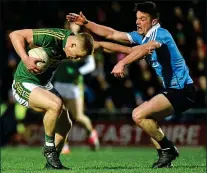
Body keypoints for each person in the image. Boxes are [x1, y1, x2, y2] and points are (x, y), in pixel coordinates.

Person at [66, 1, 196, 168]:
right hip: (174, 90)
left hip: (182, 90)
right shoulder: (142, 36)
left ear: (154, 21)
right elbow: (112, 34)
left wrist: (122, 64)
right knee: (147, 119)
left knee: (138, 114)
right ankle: (165, 158)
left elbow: (144, 49)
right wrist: (86, 23)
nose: (138, 22)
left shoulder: (161, 34)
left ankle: (168, 149)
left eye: (143, 19)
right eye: (137, 18)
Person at [9, 28, 133, 169]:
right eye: (78, 55)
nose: (77, 59)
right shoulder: (52, 38)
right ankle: (49, 149)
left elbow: (103, 45)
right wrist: (25, 59)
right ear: (72, 45)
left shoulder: (77, 43)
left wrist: (130, 51)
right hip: (23, 82)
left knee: (66, 124)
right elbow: (15, 35)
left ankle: (52, 164)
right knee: (56, 104)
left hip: (43, 84)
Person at [53, 22, 99, 153]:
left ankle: (91, 133)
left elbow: (91, 65)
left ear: (78, 27)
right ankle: (63, 144)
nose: (70, 26)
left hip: (73, 86)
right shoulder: (60, 40)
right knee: (58, 115)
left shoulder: (83, 42)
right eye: (68, 24)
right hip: (59, 84)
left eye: (73, 24)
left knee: (78, 116)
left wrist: (79, 72)